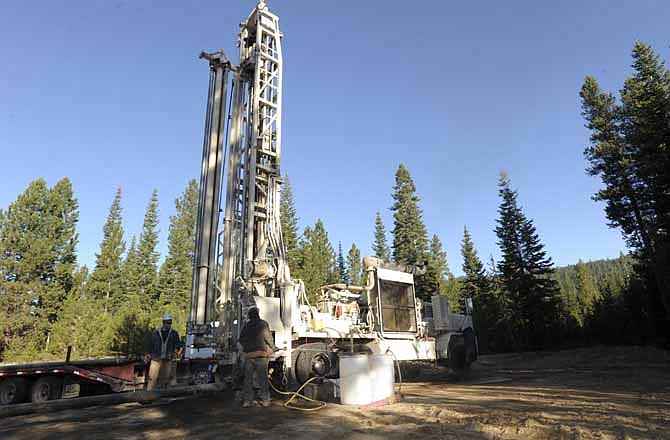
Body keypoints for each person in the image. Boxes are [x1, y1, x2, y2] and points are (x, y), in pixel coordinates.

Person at [238, 307, 277, 408]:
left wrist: (245, 350)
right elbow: (267, 337)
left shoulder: (246, 326)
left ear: (249, 315)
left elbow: (241, 340)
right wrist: (273, 347)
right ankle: (265, 400)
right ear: (258, 314)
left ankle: (247, 401)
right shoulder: (263, 324)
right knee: (263, 378)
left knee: (248, 379)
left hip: (249, 356)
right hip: (260, 355)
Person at [145, 313, 182, 391]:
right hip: (156, 359)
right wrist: (148, 354)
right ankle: (149, 394)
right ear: (163, 322)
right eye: (167, 322)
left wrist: (175, 352)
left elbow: (177, 344)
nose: (169, 324)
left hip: (167, 359)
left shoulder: (174, 333)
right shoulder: (156, 333)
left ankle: (162, 395)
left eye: (170, 322)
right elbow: (150, 344)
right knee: (152, 378)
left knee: (165, 379)